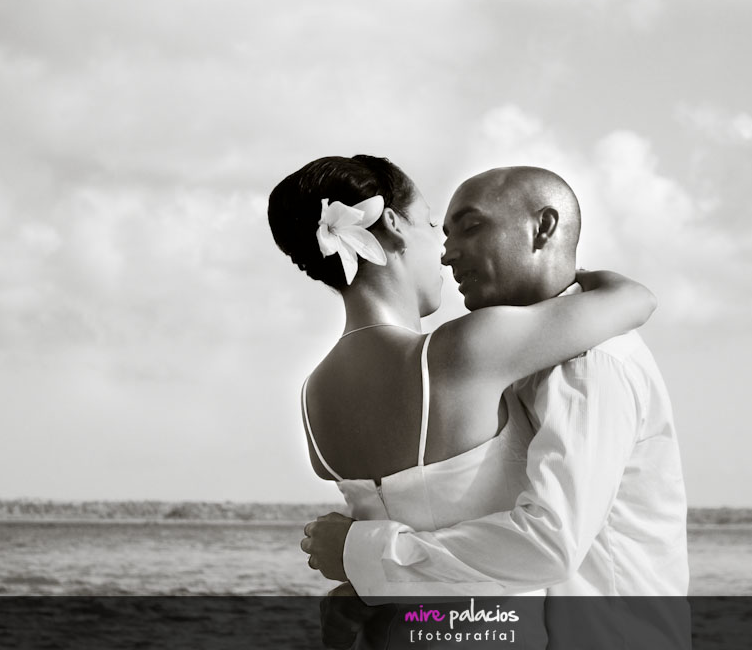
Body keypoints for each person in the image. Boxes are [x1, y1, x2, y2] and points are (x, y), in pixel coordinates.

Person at [269, 156, 657, 648]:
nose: (446, 252)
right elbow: (636, 300)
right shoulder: (465, 350)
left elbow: (399, 534)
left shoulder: (313, 394)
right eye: (432, 223)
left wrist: (360, 575)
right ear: (394, 225)